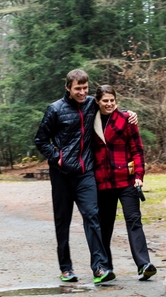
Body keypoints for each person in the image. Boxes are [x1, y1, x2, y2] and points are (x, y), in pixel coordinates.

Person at [34, 70, 123, 284]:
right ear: (68, 88)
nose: (82, 92)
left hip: (86, 173)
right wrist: (58, 158)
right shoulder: (55, 110)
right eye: (78, 89)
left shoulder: (92, 104)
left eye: (85, 88)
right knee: (62, 222)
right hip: (62, 175)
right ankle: (66, 268)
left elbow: (110, 108)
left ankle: (99, 268)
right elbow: (41, 140)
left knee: (93, 217)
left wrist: (129, 114)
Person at [92, 85, 157, 281]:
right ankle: (105, 266)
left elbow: (137, 149)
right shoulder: (90, 121)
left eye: (112, 100)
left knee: (134, 220)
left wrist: (139, 174)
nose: (109, 104)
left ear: (116, 101)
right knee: (105, 225)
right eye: (105, 101)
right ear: (98, 102)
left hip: (127, 180)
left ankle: (144, 264)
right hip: (102, 182)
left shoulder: (126, 120)